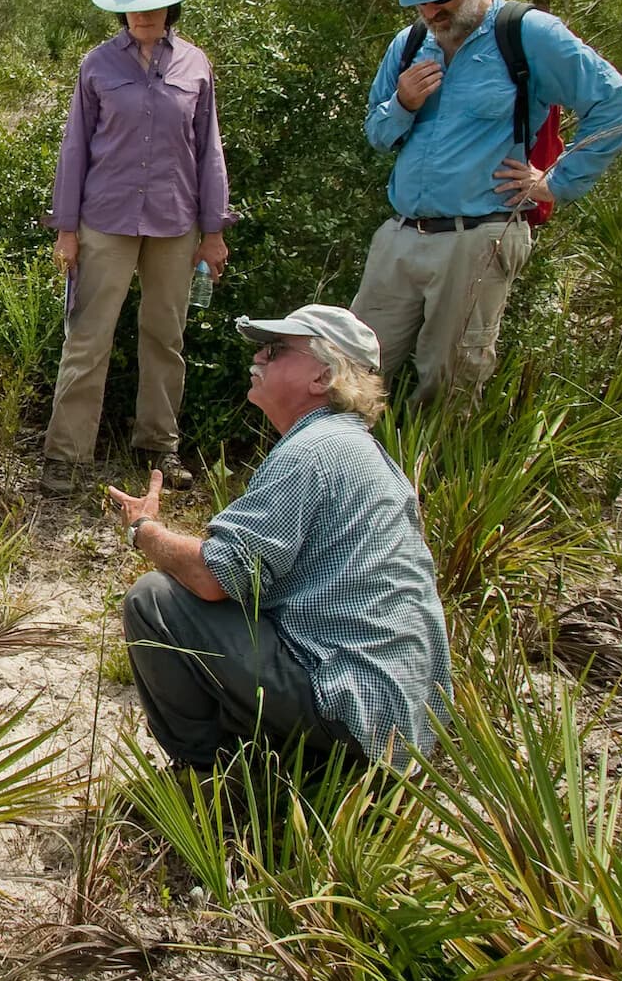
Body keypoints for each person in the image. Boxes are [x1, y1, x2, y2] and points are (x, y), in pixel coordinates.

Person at [108, 305, 451, 770]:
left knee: (154, 601)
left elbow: (213, 576)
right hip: (397, 719)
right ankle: (292, 763)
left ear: (323, 377)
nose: (259, 359)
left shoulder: (313, 450)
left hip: (348, 704)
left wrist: (143, 530)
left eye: (276, 350)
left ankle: (210, 774)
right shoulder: (355, 450)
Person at [355, 0, 622, 400]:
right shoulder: (409, 44)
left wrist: (557, 181)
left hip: (478, 236)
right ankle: (349, 470)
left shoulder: (527, 34)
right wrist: (402, 103)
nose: (430, 12)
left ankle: (437, 474)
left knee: (449, 386)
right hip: (400, 237)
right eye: (420, 2)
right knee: (354, 369)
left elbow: (616, 105)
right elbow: (377, 135)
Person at [42, 0, 231, 498]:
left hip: (176, 223)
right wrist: (67, 228)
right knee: (88, 336)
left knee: (165, 336)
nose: (143, 17)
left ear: (170, 7)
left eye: (153, 7)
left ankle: (158, 446)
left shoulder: (195, 65)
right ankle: (66, 455)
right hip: (105, 219)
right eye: (134, 8)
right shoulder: (97, 65)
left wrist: (213, 229)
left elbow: (208, 149)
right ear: (120, 11)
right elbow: (75, 148)